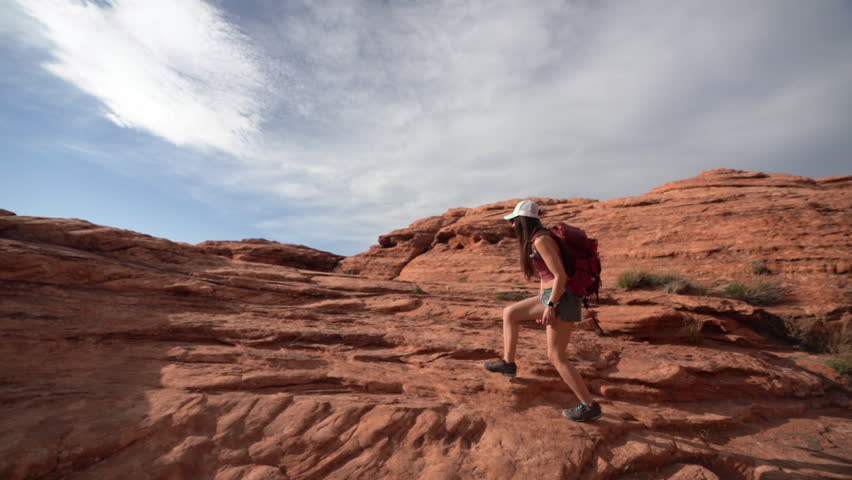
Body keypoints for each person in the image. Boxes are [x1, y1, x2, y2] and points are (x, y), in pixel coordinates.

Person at [484, 199, 603, 422]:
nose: (512, 226)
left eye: (514, 221)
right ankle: (508, 363)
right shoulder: (536, 239)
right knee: (510, 313)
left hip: (563, 298)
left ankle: (590, 406)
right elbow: (544, 276)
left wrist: (550, 306)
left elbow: (561, 276)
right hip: (553, 297)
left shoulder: (541, 240)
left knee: (557, 356)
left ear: (522, 221)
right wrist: (542, 303)